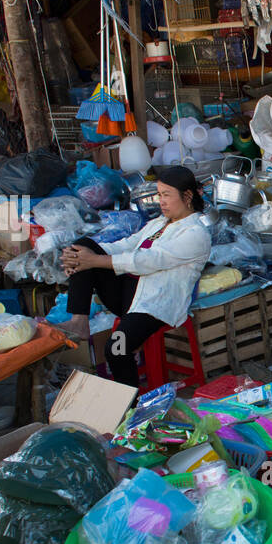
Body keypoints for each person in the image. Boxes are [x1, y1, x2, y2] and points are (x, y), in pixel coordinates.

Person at [59, 165, 211, 386]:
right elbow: (127, 245)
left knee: (116, 348)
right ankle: (79, 321)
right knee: (81, 246)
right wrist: (82, 256)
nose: (162, 201)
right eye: (159, 195)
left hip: (152, 306)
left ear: (187, 196)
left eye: (167, 195)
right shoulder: (159, 223)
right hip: (127, 295)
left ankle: (130, 410)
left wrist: (95, 260)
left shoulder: (196, 234)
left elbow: (148, 260)